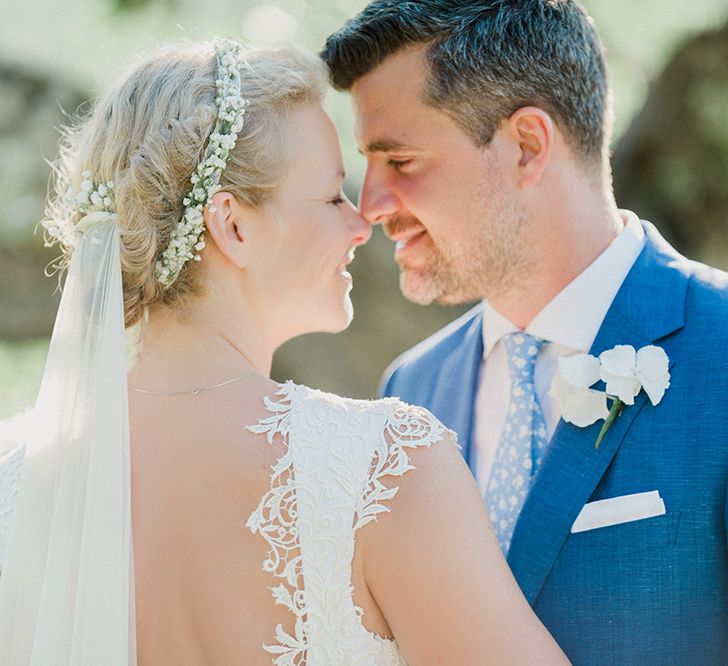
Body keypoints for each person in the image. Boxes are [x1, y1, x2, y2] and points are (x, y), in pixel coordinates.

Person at [0, 40, 569, 665]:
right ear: (232, 225)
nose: (362, 224)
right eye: (331, 197)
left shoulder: (15, 478)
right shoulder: (382, 470)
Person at [321, 0, 728, 663]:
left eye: (399, 162)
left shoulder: (722, 347)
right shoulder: (411, 389)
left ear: (526, 146)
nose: (370, 208)